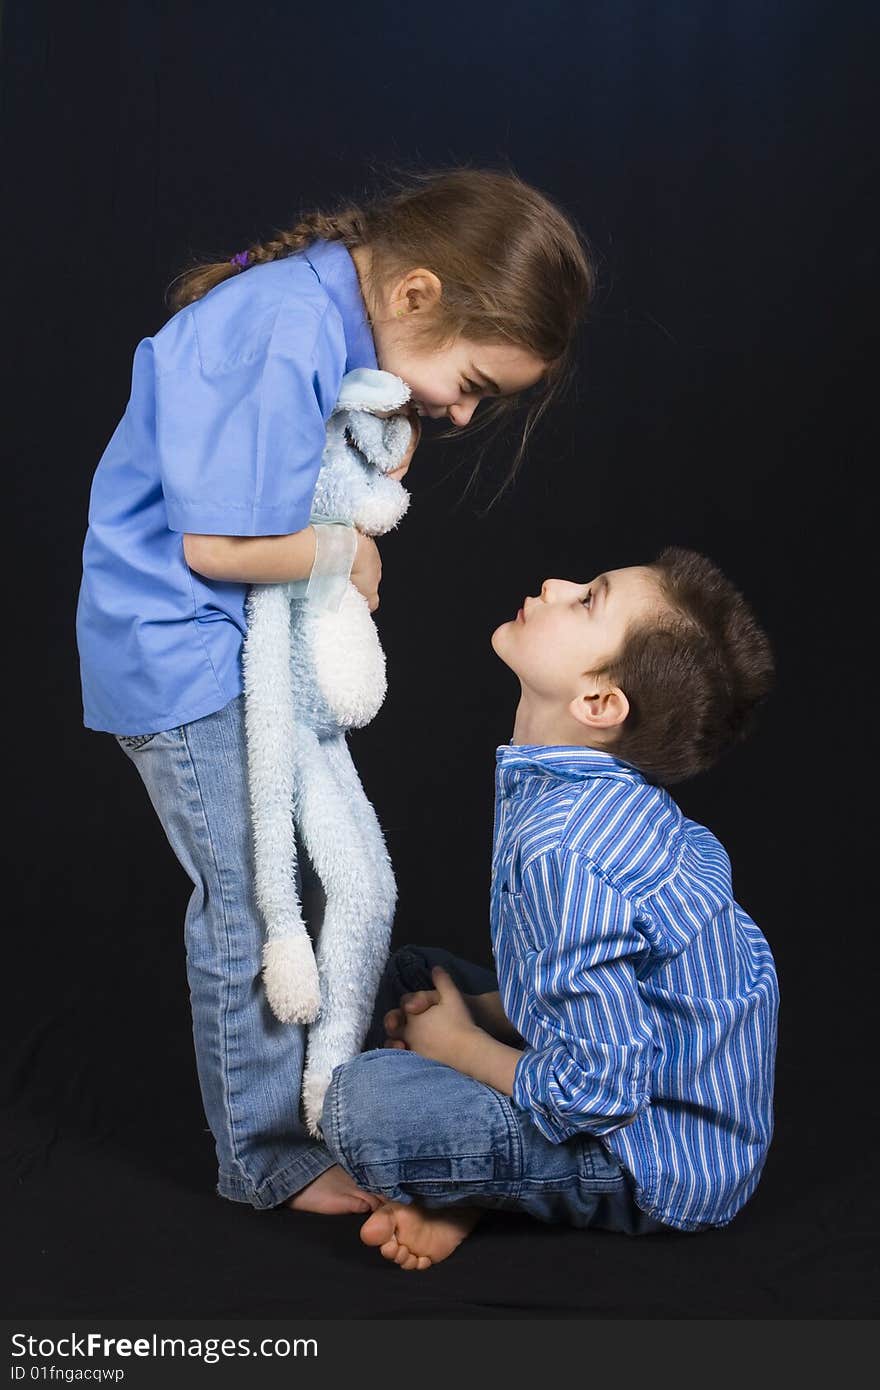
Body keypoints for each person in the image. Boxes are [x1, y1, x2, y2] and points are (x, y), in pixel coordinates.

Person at [74, 167, 596, 1216]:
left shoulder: (327, 323)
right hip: (179, 652)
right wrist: (339, 549)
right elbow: (218, 543)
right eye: (473, 383)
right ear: (413, 295)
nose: (455, 413)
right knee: (249, 904)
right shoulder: (281, 331)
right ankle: (266, 1154)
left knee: (322, 881)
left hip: (238, 649)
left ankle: (330, 1083)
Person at [320, 547, 780, 1269]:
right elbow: (625, 987)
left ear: (598, 703)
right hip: (636, 1058)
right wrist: (486, 1015)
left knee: (362, 1105)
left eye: (587, 601)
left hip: (657, 1159)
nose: (555, 585)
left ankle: (465, 1187)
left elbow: (602, 1091)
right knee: (415, 974)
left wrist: (462, 1049)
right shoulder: (577, 792)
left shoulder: (567, 847)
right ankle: (464, 1173)